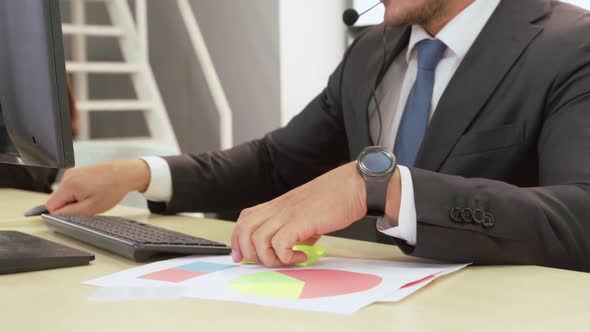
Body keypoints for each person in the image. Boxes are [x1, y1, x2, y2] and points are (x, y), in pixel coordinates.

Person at [46, 0, 590, 272]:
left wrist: (382, 187)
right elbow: (275, 162)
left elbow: (578, 216)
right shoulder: (373, 49)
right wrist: (140, 173)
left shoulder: (571, 45)